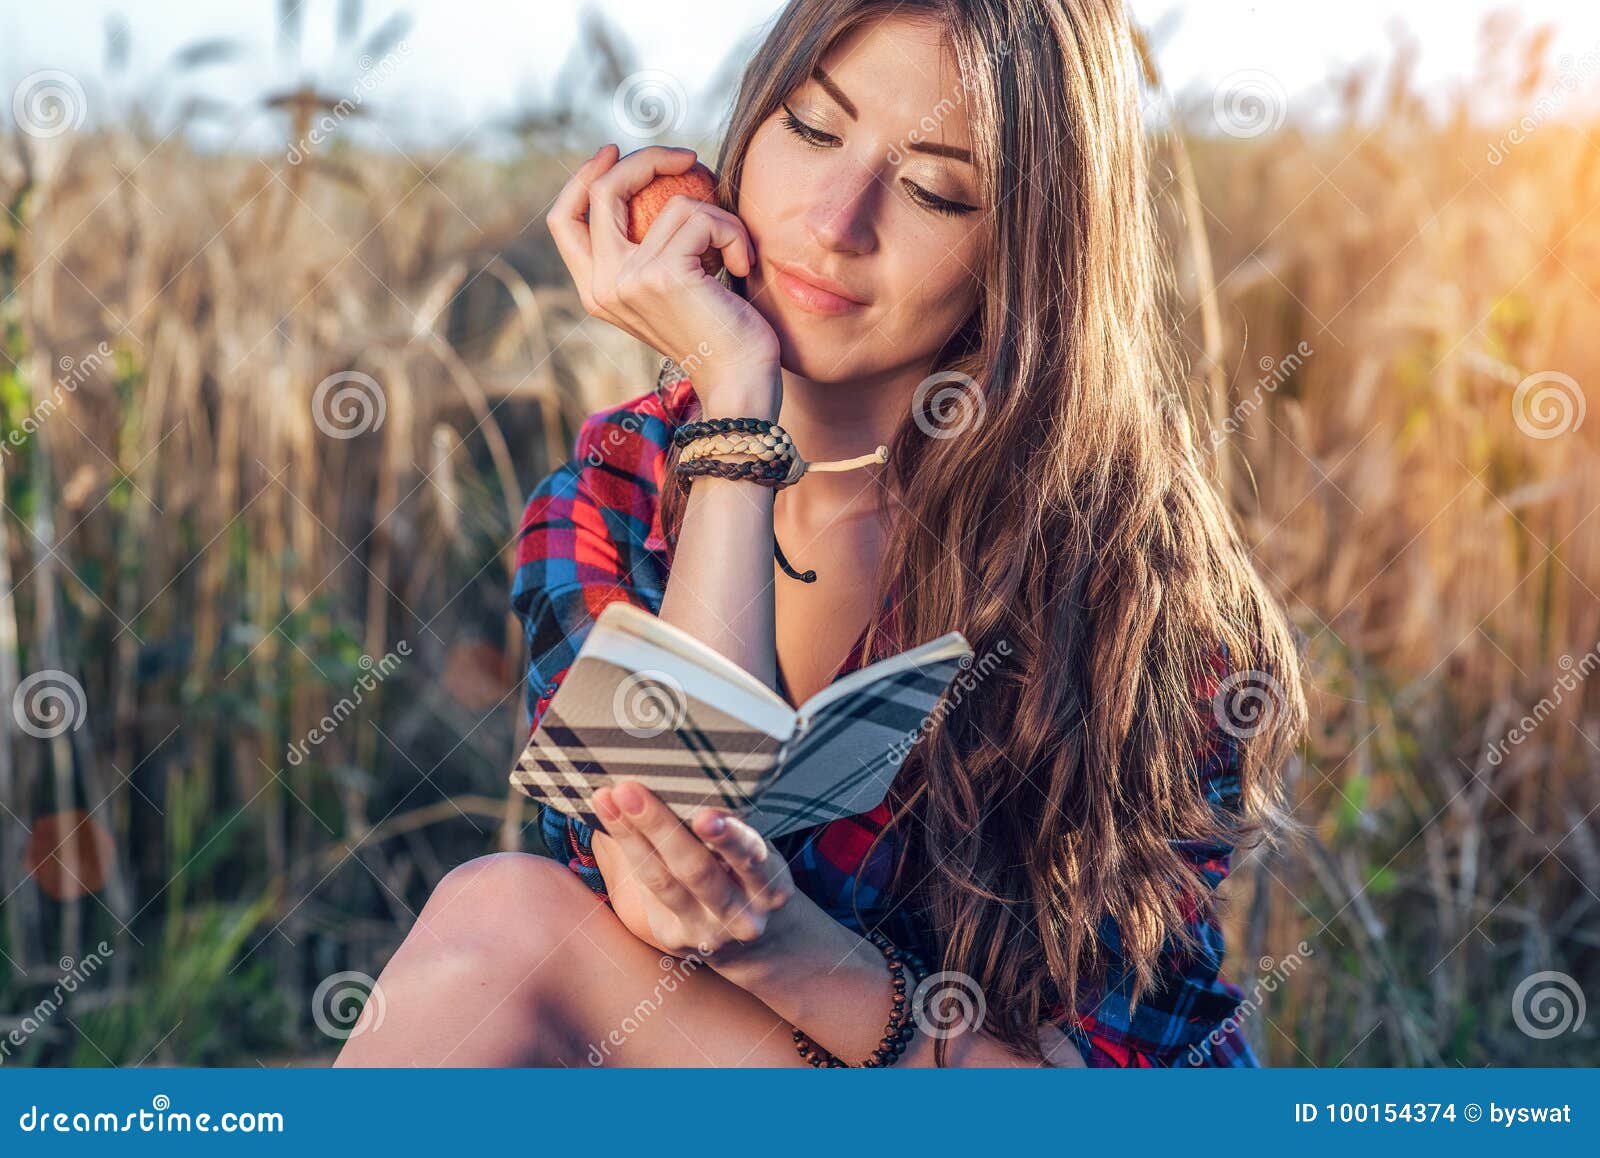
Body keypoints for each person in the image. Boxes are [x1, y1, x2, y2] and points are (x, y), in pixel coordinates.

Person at [335, 0, 1307, 1069]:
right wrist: (734, 410)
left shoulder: (1133, 586)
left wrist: (786, 949)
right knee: (508, 920)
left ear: (1027, 256)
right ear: (745, 133)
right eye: (809, 128)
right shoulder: (618, 488)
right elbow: (658, 860)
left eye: (937, 188)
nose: (835, 221)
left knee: (504, 926)